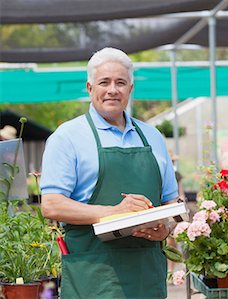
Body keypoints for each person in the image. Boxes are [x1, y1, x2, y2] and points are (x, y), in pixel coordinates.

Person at [40, 47, 179, 299]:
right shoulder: (67, 137)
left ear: (131, 88)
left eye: (120, 82)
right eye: (104, 82)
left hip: (146, 274)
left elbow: (171, 200)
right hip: (93, 274)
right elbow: (51, 205)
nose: (112, 89)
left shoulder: (152, 136)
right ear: (90, 87)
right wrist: (113, 213)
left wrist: (166, 227)